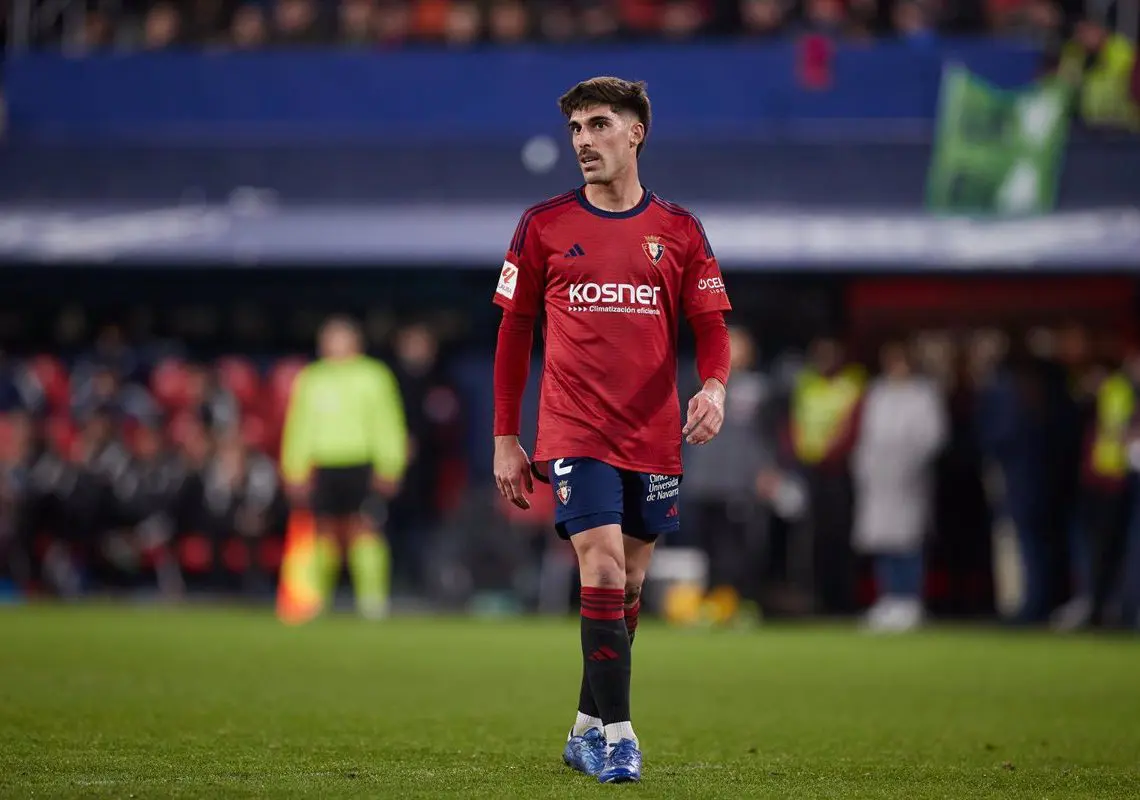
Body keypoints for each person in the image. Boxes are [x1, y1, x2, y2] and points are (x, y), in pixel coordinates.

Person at [491, 76, 732, 784]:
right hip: (572, 430)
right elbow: (514, 334)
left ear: (636, 133)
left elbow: (712, 329)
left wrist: (714, 387)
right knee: (598, 566)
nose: (584, 142)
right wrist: (507, 433)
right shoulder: (543, 225)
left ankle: (585, 726)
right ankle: (622, 736)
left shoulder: (679, 231)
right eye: (575, 130)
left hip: (653, 435)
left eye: (599, 125)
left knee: (627, 586)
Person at [280, 315, 409, 619]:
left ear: (356, 341)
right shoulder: (311, 378)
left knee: (366, 531)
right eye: (330, 338)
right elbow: (299, 427)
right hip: (324, 464)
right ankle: (317, 600)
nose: (336, 344)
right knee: (324, 534)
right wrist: (293, 469)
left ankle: (373, 603)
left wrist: (390, 466)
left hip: (361, 463)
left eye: (342, 337)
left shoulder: (374, 376)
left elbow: (388, 424)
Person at [852, 340, 947, 632]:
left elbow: (934, 436)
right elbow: (866, 434)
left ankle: (910, 599)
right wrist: (865, 466)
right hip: (878, 478)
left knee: (908, 539)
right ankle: (889, 598)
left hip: (908, 478)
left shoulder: (924, 394)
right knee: (881, 539)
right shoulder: (877, 393)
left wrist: (909, 463)